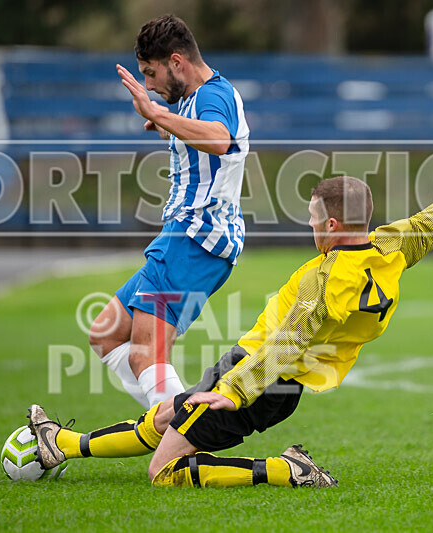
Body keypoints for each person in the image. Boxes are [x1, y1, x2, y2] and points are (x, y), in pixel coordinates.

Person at [29, 118, 433, 488]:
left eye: (311, 220)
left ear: (331, 225)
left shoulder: (327, 281)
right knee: (168, 411)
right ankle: (63, 444)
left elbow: (290, 343)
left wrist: (233, 393)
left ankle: (287, 471)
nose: (309, 228)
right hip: (261, 369)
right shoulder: (391, 245)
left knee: (164, 471)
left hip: (264, 379)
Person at [92, 14, 250, 409]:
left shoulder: (214, 95)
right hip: (186, 236)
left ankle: (180, 441)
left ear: (176, 62)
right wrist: (165, 125)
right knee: (106, 333)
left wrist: (158, 113)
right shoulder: (194, 100)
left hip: (194, 236)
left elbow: (219, 139)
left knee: (145, 351)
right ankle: (173, 427)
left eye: (150, 72)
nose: (148, 84)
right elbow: (200, 130)